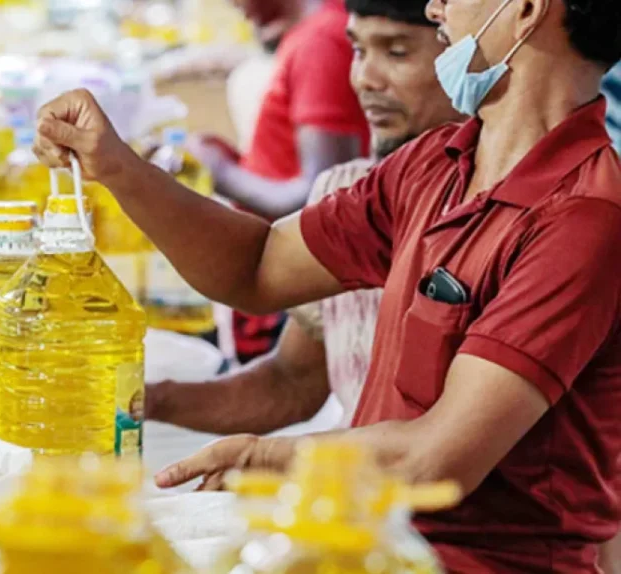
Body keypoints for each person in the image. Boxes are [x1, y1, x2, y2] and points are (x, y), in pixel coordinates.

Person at [31, 0, 621, 569]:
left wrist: (270, 457)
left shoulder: (584, 217)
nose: (436, 8)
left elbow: (436, 461)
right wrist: (115, 166)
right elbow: (258, 266)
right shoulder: (433, 165)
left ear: (527, 9)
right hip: (365, 539)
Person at [145, 0, 461, 434]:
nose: (364, 79)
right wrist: (143, 401)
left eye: (397, 52)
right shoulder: (349, 193)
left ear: (466, 52)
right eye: (358, 51)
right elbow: (290, 383)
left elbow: (438, 451)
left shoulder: (501, 211)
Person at [198, 0, 372, 365]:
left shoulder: (320, 40)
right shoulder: (309, 34)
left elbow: (323, 196)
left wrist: (220, 173)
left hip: (290, 285)